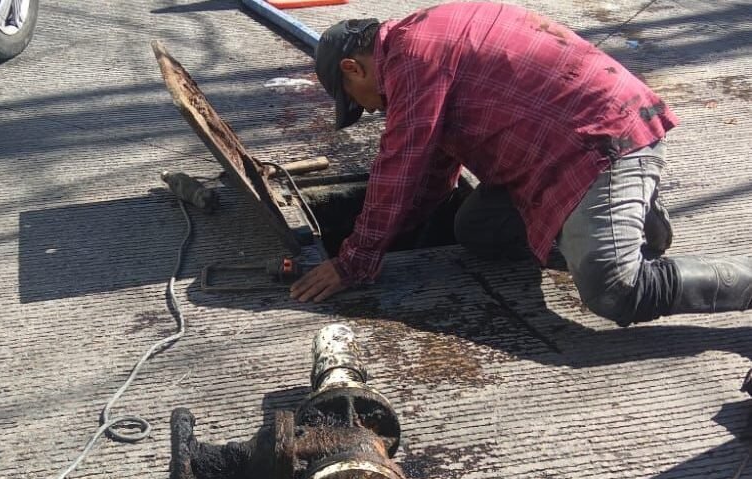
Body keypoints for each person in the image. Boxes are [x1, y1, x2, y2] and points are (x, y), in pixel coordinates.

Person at [289, 2, 752, 327]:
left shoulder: (412, 58)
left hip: (602, 146)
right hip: (548, 159)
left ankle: (738, 282)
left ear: (353, 68)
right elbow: (430, 174)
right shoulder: (425, 37)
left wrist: (354, 262)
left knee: (613, 290)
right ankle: (620, 225)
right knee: (477, 228)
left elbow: (400, 164)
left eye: (357, 104)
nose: (370, 111)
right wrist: (399, 236)